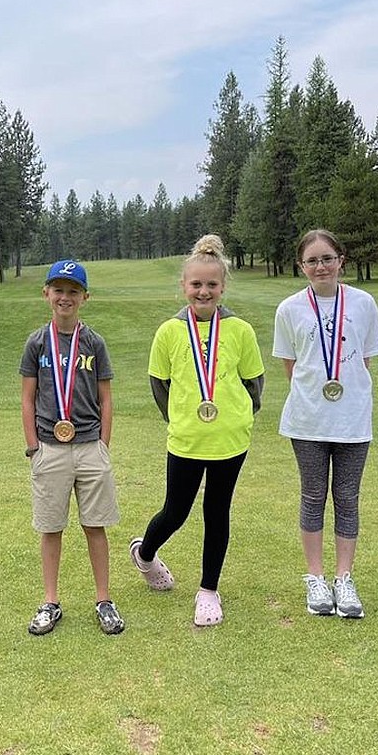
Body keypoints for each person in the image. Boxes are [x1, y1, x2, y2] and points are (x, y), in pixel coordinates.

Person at [129, 234, 265, 626]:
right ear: (184, 286)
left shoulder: (240, 331)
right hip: (186, 440)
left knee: (216, 511)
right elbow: (160, 385)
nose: (203, 291)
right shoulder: (169, 332)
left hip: (230, 440)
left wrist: (236, 417)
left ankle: (208, 590)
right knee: (176, 511)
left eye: (211, 285)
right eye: (196, 284)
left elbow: (254, 385)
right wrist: (183, 418)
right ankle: (146, 553)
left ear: (222, 287)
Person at [273, 230, 378, 619]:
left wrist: (342, 393)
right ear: (301, 266)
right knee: (313, 496)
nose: (320, 266)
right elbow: (292, 366)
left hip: (353, 418)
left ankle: (344, 578)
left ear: (341, 259)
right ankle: (316, 578)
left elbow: (365, 361)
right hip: (307, 421)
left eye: (327, 258)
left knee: (348, 498)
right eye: (312, 261)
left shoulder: (363, 303)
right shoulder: (289, 308)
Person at [20, 259, 124, 636]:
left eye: (73, 291)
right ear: (46, 293)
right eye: (59, 290)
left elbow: (106, 398)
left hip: (89, 446)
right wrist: (33, 447)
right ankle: (50, 601)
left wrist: (104, 445)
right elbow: (28, 398)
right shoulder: (36, 342)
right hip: (50, 447)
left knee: (95, 526)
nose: (66, 297)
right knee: (51, 528)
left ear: (85, 297)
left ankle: (103, 600)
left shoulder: (94, 342)